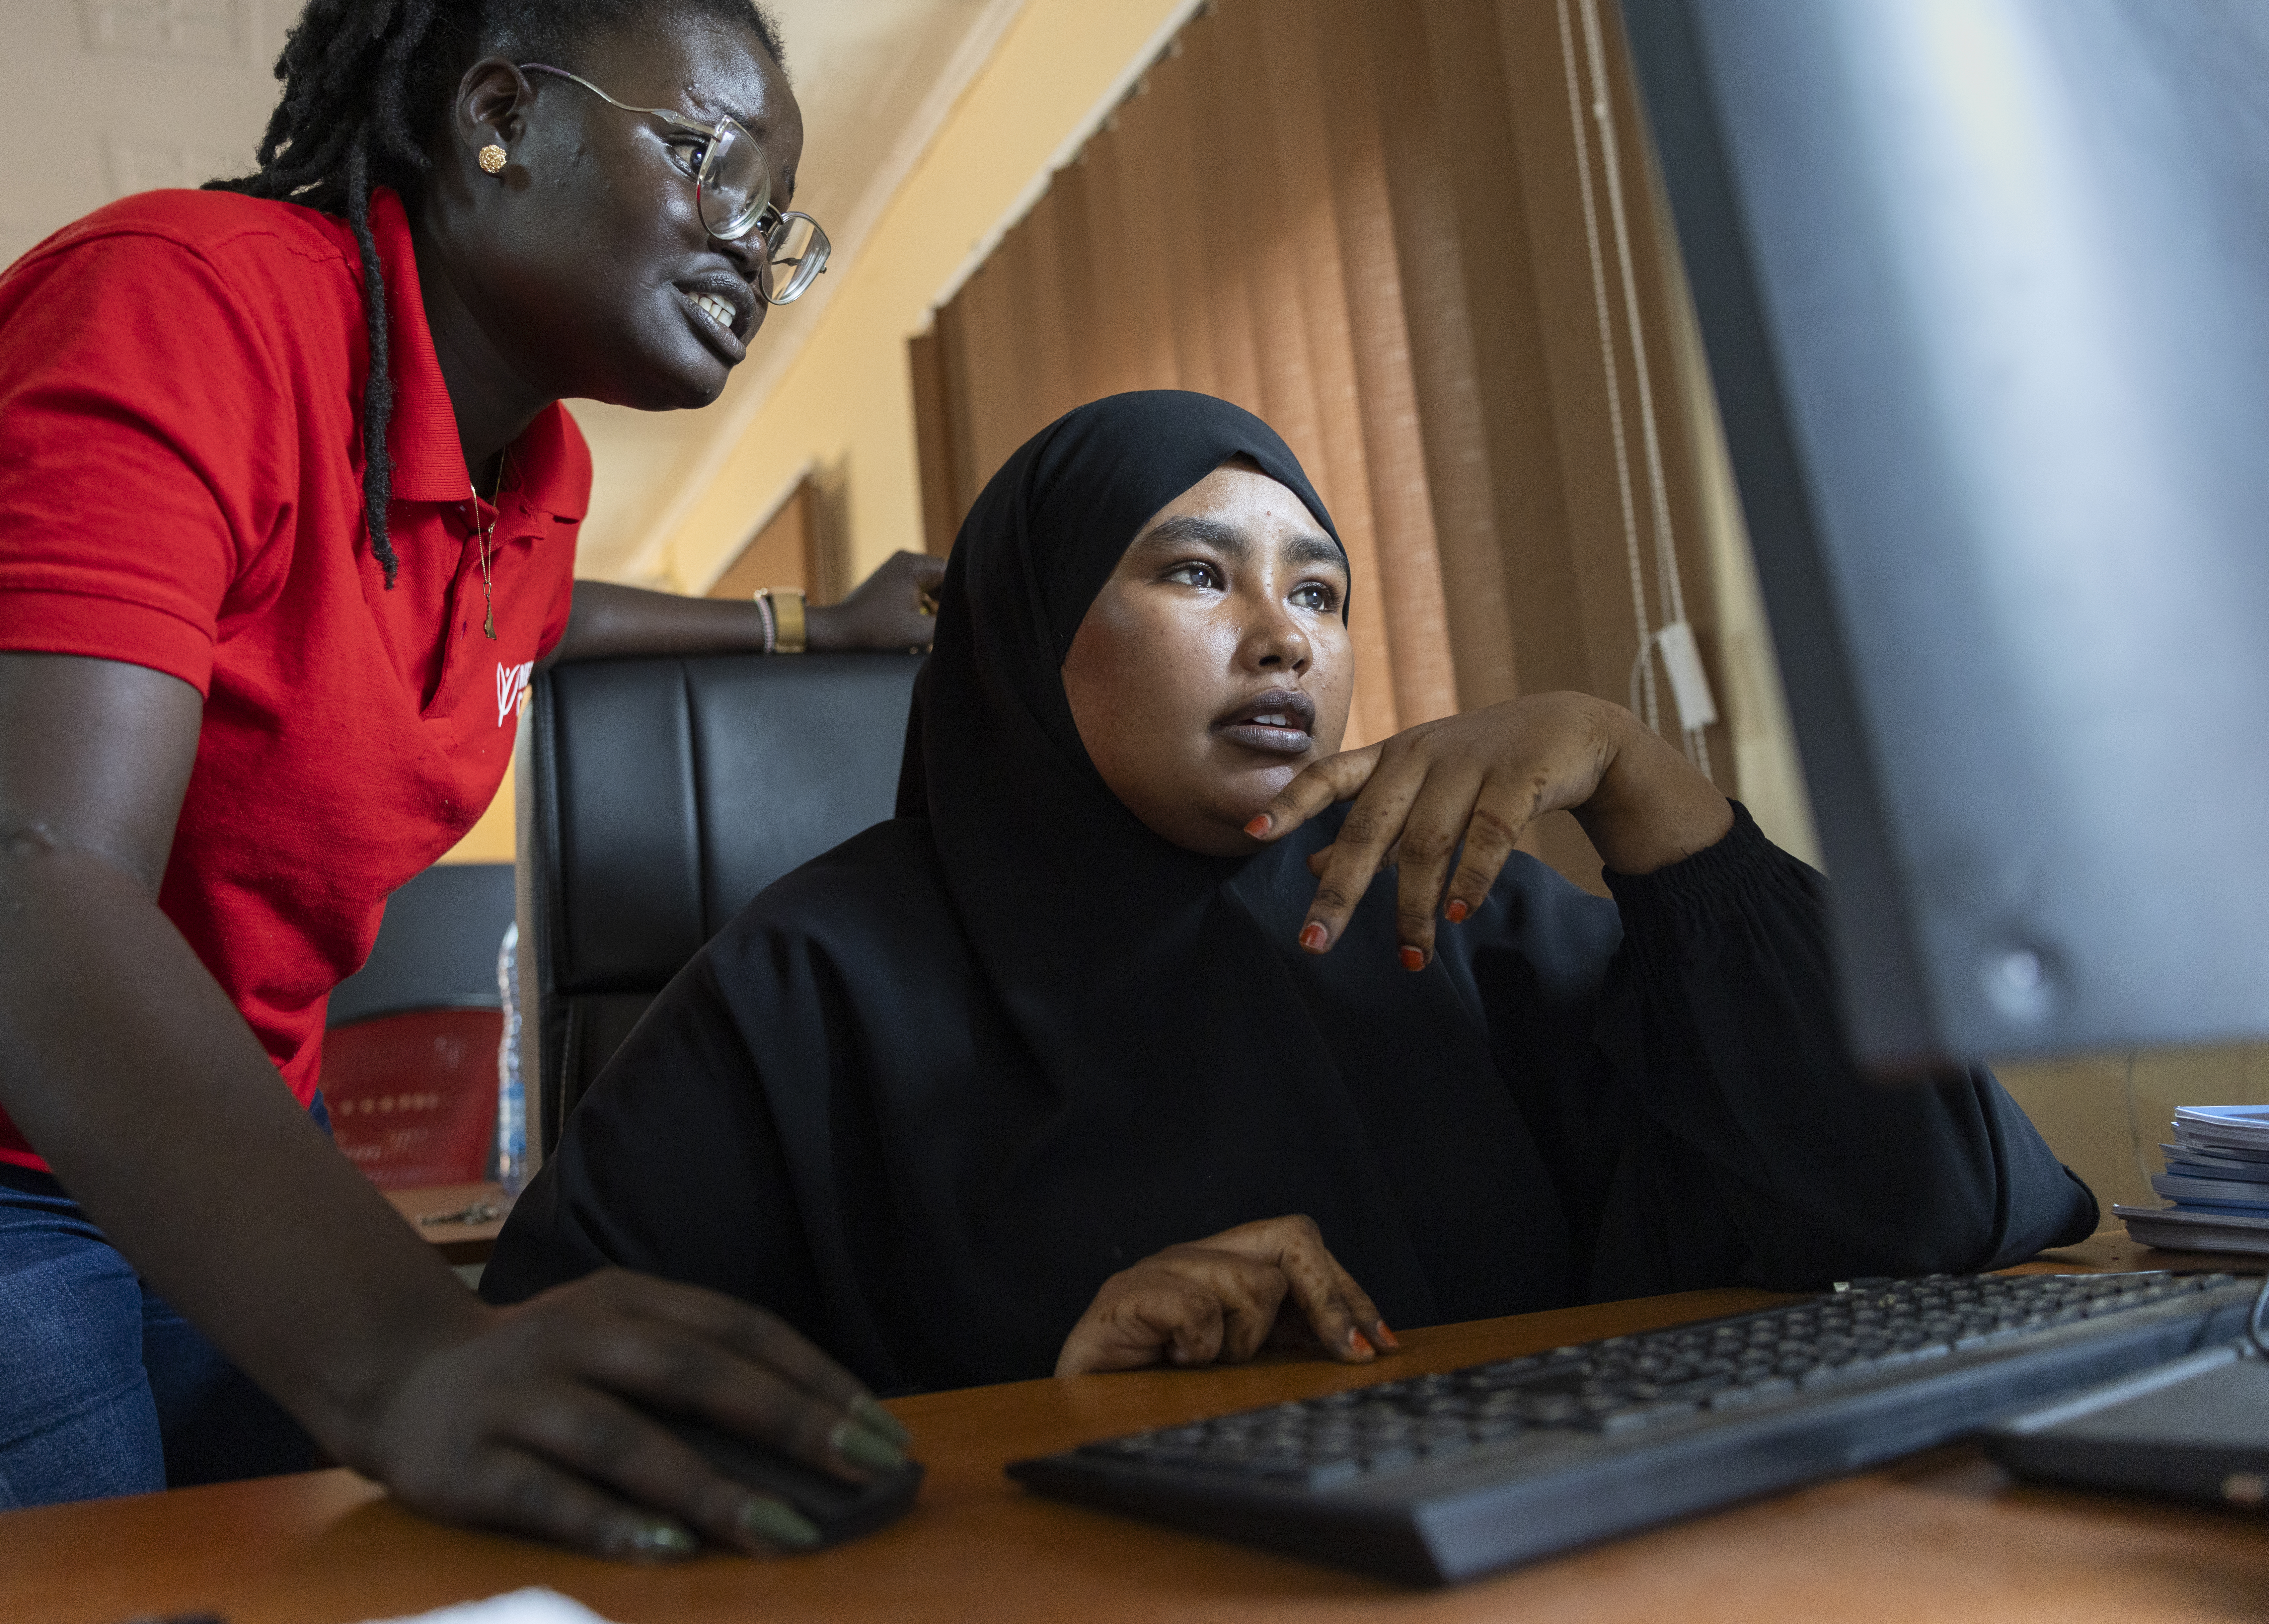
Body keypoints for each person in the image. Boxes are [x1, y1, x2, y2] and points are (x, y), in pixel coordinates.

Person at [0, 0, 932, 1560]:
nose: (752, 250)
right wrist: (404, 1354)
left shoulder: (534, 472)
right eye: (707, 165)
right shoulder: (182, 307)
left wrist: (802, 622)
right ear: (499, 113)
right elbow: (19, 874)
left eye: (782, 222)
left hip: (160, 1134)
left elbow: (519, 621)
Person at [481, 391, 2098, 1394]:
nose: (1286, 639)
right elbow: (548, 1386)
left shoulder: (1450, 913)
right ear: (1024, 638)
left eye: (1318, 590)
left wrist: (1643, 788)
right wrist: (1048, 1395)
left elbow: (1934, 1212)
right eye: (1196, 573)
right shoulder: (805, 985)